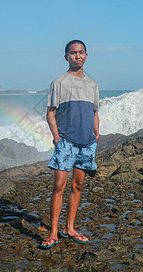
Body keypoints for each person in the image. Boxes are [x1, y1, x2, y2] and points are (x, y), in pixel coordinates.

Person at [40, 39, 99, 249]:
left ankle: (69, 228)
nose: (77, 56)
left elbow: (94, 112)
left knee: (78, 185)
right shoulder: (59, 82)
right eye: (73, 53)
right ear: (66, 57)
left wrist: (97, 135)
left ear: (86, 55)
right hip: (66, 142)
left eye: (81, 52)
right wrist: (56, 137)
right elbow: (50, 112)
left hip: (86, 143)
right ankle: (54, 232)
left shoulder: (92, 85)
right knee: (59, 186)